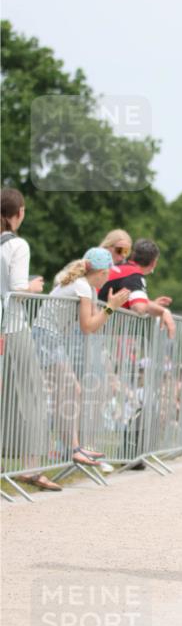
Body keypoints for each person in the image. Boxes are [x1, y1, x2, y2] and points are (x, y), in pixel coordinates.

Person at [33, 248, 130, 466]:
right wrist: (112, 308)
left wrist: (107, 309)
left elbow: (92, 325)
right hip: (46, 337)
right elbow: (88, 326)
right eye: (108, 273)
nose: (108, 278)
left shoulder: (86, 288)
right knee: (70, 391)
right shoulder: (82, 286)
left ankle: (73, 447)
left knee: (69, 391)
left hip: (49, 337)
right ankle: (72, 448)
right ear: (102, 272)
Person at [0, 188, 52, 490]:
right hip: (13, 327)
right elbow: (18, 288)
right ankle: (33, 467)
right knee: (32, 396)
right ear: (18, 213)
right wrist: (34, 286)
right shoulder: (18, 245)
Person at [98, 238, 176, 339]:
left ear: (133, 255)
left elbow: (136, 302)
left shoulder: (123, 268)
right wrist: (164, 311)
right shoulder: (134, 275)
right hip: (88, 328)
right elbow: (139, 307)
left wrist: (152, 305)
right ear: (154, 263)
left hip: (85, 321)